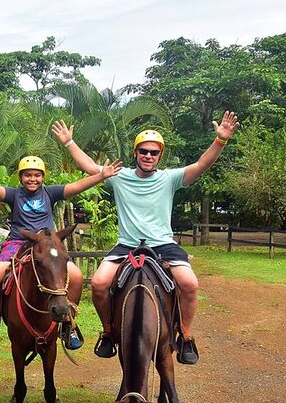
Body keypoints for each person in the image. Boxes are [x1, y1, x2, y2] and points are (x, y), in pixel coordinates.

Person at [51, 111, 239, 364]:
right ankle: (108, 332)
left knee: (189, 283)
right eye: (143, 151)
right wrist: (69, 143)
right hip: (127, 245)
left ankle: (185, 334)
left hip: (163, 245)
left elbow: (201, 165)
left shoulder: (170, 178)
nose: (148, 156)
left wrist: (221, 141)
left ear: (160, 155)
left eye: (154, 152)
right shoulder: (118, 176)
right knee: (98, 283)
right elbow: (89, 167)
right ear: (136, 153)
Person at [0, 154, 122, 344]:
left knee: (77, 276)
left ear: (43, 177)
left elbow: (76, 186)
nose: (32, 179)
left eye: (37, 175)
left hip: (47, 245)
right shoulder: (14, 194)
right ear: (21, 177)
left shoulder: (50, 193)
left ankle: (68, 322)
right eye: (27, 175)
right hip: (17, 242)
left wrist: (101, 176)